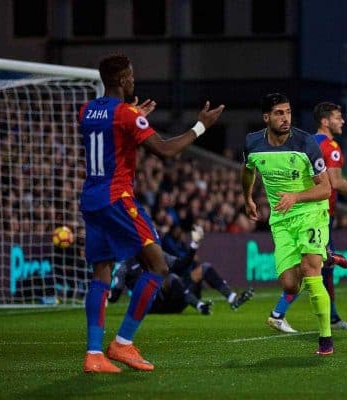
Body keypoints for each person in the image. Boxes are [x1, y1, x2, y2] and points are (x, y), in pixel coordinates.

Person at [80, 53, 224, 373]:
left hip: (91, 199)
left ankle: (93, 354)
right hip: (118, 198)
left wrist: (134, 118)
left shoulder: (87, 111)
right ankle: (123, 344)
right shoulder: (126, 115)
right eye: (130, 76)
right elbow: (166, 149)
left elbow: (113, 136)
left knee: (101, 272)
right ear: (120, 80)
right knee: (157, 266)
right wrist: (202, 125)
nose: (134, 81)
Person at [266, 102, 347, 334]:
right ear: (325, 121)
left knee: (318, 268)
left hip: (299, 213)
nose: (342, 121)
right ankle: (279, 313)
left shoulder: (307, 142)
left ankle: (329, 315)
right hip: (317, 214)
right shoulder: (331, 146)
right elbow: (335, 182)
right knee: (312, 266)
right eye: (338, 117)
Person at [241, 93, 334, 355]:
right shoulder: (252, 143)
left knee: (310, 269)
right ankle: (323, 255)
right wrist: (247, 197)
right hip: (281, 219)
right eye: (279, 113)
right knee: (290, 284)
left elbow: (326, 189)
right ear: (266, 117)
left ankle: (325, 340)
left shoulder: (305, 143)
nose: (286, 118)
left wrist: (296, 196)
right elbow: (248, 169)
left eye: (288, 112)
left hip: (311, 211)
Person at [109, 225, 254, 315]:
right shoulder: (125, 262)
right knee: (171, 278)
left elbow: (181, 265)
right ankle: (198, 305)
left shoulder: (157, 254)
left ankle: (232, 298)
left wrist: (194, 245)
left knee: (204, 268)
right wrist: (106, 294)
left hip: (173, 299)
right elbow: (115, 296)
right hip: (151, 305)